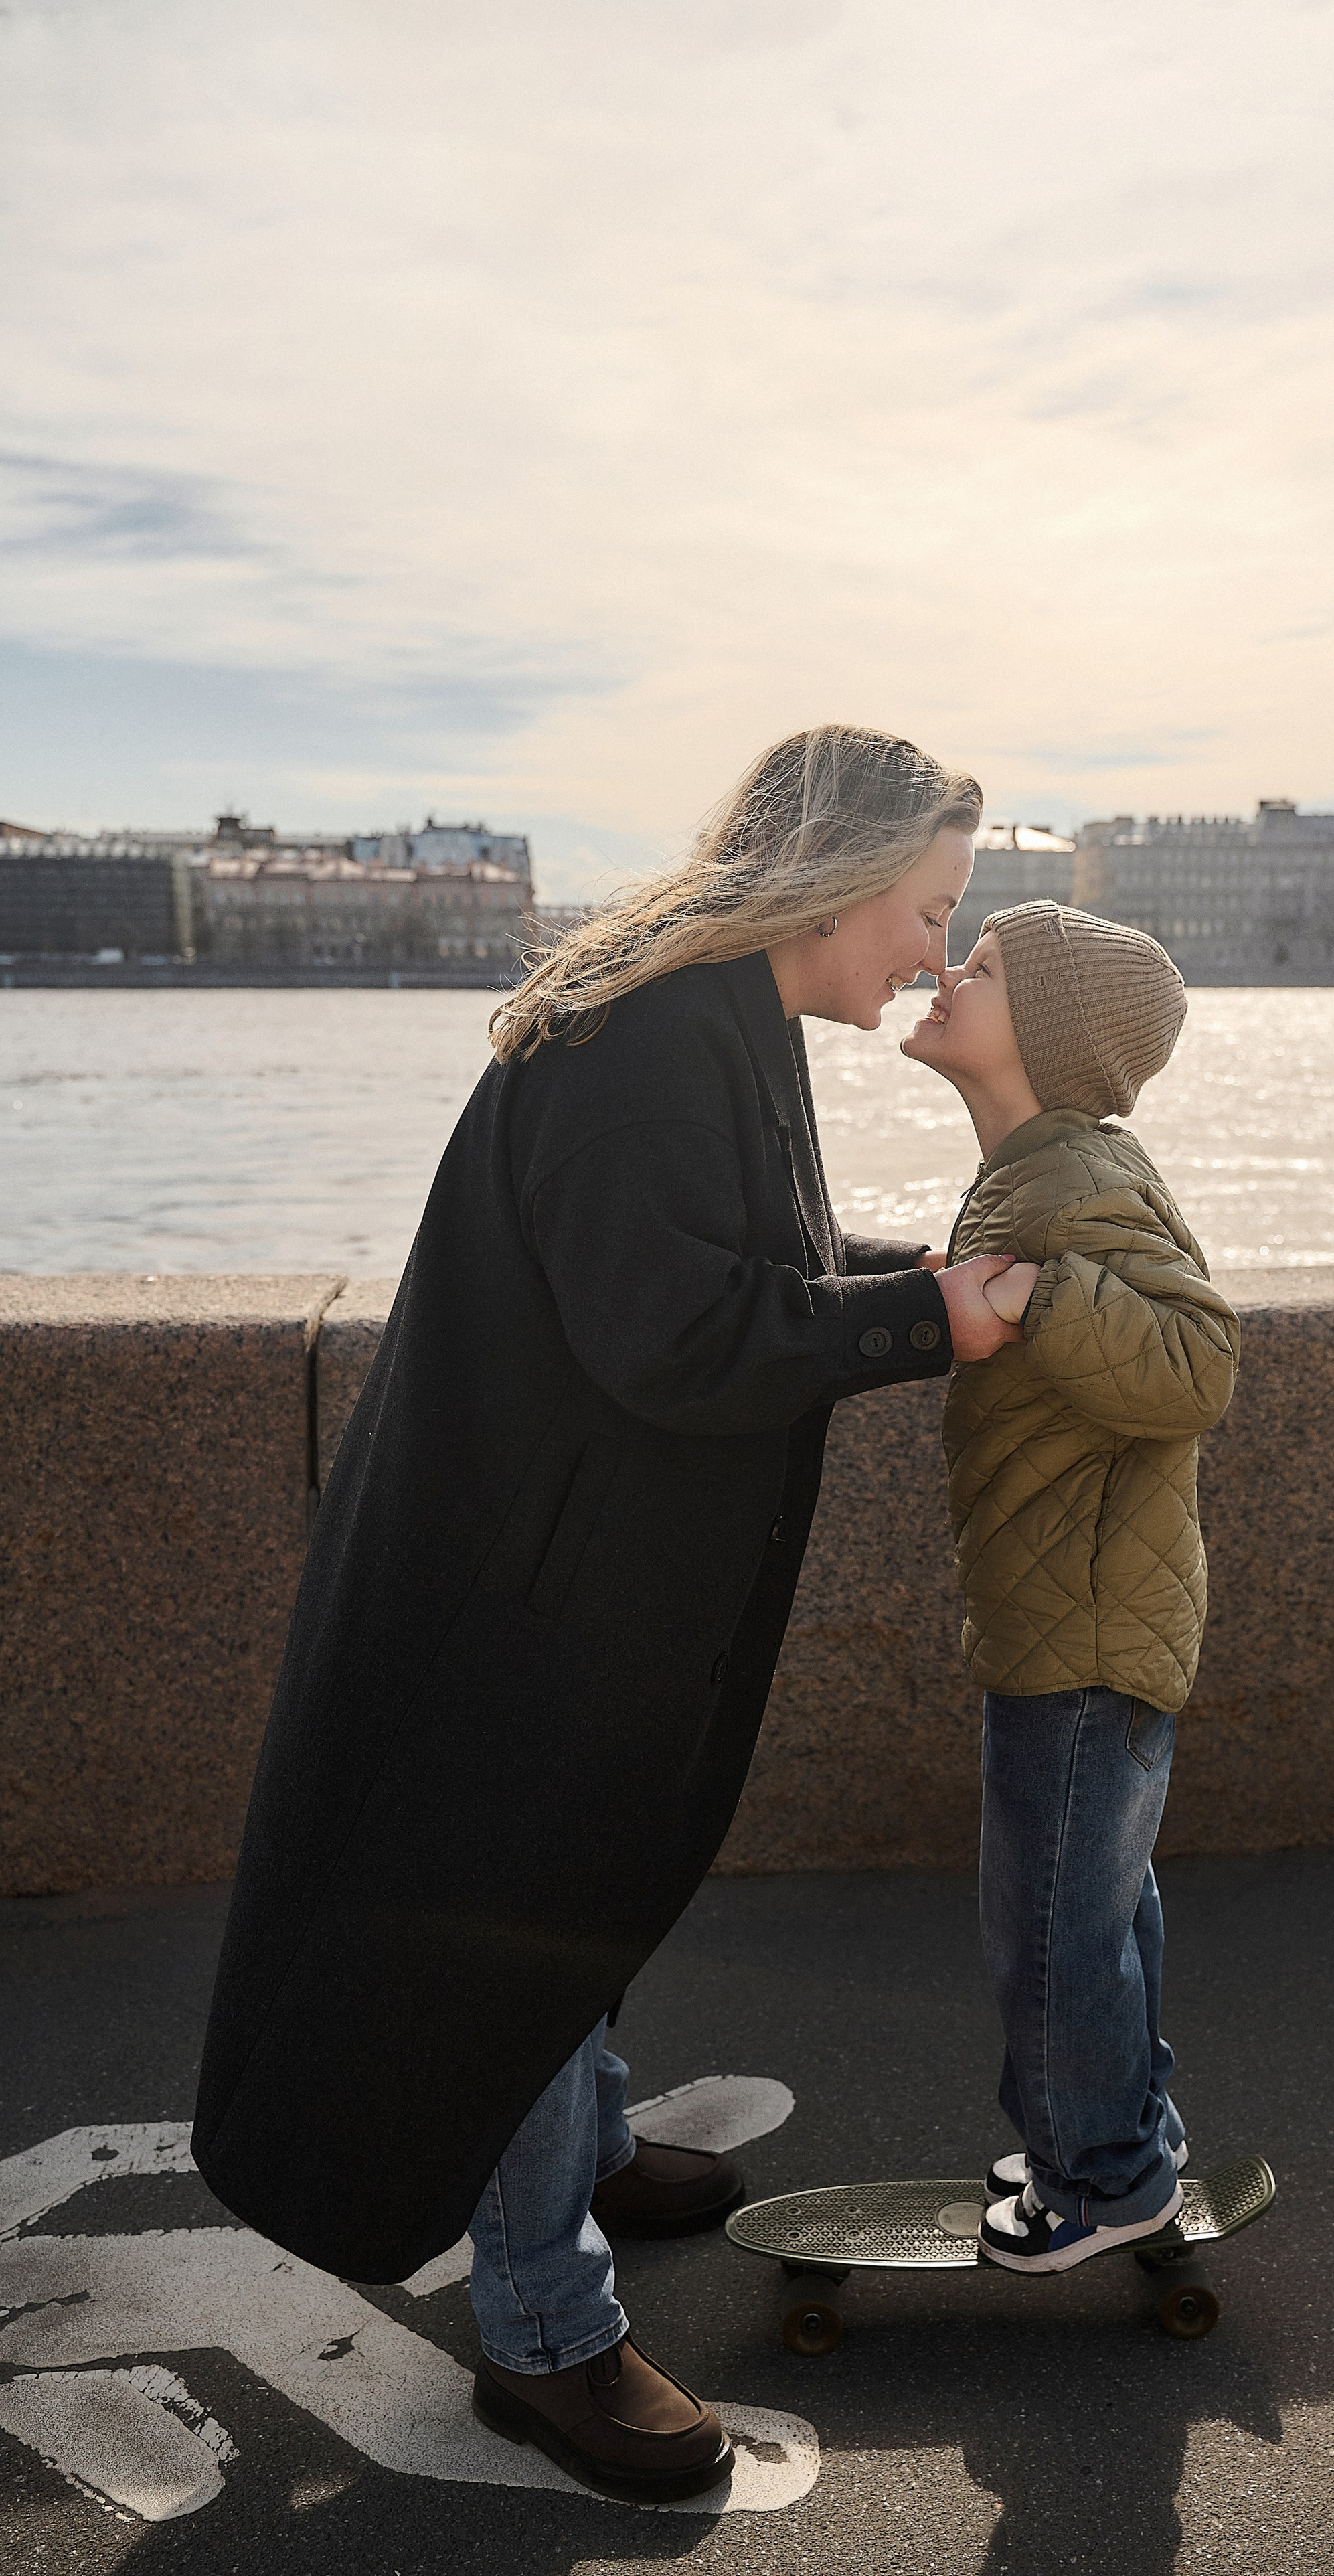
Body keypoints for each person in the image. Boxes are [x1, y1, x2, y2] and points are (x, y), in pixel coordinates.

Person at [192, 726, 1029, 2504]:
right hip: (530, 1610)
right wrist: (920, 1327)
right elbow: (684, 1340)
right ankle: (550, 2338)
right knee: (518, 1919)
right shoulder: (661, 1043)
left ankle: (571, 2139)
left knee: (561, 1892)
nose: (934, 959)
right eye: (931, 908)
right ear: (845, 877)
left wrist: (928, 1280)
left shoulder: (707, 1007)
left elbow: (733, 1267)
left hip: (547, 1574)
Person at [899, 900, 1242, 2272]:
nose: (940, 969)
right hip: (1074, 1608)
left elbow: (1194, 1361)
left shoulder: (1071, 1182)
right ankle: (1114, 2130)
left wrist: (1036, 1289)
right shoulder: (1040, 1161)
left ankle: (1098, 2177)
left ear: (1041, 1034)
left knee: (1048, 1916)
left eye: (974, 968)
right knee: (1093, 1903)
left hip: (1086, 1630)